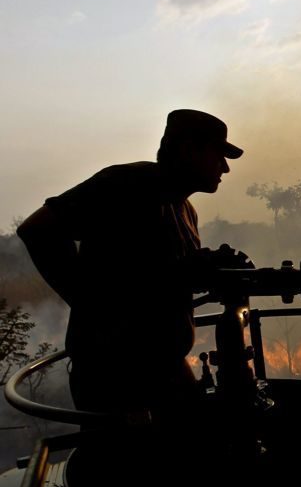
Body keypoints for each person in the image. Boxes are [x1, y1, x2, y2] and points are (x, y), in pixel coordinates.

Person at [16, 109, 244, 415]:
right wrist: (89, 301)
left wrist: (208, 270)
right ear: (189, 150)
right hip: (116, 374)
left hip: (167, 366)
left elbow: (158, 275)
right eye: (218, 155)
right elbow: (37, 230)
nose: (225, 168)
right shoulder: (127, 184)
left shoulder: (186, 211)